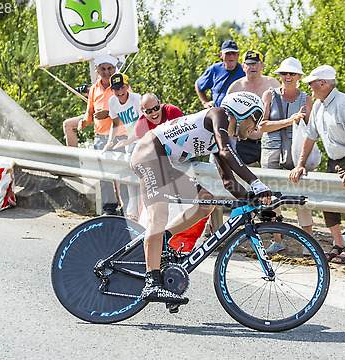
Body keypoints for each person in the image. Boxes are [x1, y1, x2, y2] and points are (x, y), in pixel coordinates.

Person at [130, 91, 272, 304]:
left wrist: (253, 200)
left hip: (163, 162)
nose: (255, 127)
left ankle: (163, 242)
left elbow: (228, 182)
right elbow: (225, 152)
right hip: (149, 153)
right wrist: (256, 183)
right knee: (158, 215)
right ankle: (152, 283)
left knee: (206, 202)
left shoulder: (217, 138)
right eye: (255, 119)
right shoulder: (218, 114)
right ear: (242, 111)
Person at [289, 65, 345, 265]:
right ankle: (338, 244)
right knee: (328, 200)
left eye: (311, 83)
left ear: (323, 83)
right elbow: (310, 137)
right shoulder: (318, 105)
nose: (309, 87)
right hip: (334, 158)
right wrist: (300, 165)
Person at [258, 57, 314, 254]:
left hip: (296, 152)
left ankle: (308, 242)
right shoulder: (269, 95)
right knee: (271, 196)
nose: (287, 76)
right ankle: (277, 240)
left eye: (292, 73)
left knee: (300, 196)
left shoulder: (307, 98)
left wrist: (298, 122)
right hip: (271, 149)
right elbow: (261, 126)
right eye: (284, 73)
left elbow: (312, 131)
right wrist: (290, 121)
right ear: (279, 75)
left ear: (299, 76)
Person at [77, 55, 127, 215]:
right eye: (103, 69)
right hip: (100, 137)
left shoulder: (122, 86)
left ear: (114, 69)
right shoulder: (93, 89)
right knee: (104, 175)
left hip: (120, 136)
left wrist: (108, 114)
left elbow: (127, 109)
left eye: (110, 68)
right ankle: (109, 209)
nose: (107, 72)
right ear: (97, 71)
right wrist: (84, 122)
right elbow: (89, 112)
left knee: (123, 174)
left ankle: (128, 208)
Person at [227, 50, 281, 167]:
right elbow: (227, 114)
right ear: (243, 67)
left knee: (270, 175)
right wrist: (233, 132)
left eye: (255, 63)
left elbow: (283, 108)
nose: (252, 67)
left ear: (262, 65)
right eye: (249, 64)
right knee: (249, 176)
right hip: (245, 140)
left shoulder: (273, 84)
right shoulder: (235, 87)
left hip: (270, 139)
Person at [102, 73, 143, 219]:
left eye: (122, 87)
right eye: (116, 89)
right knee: (131, 178)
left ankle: (142, 212)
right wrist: (110, 141)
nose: (119, 92)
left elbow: (144, 126)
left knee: (142, 180)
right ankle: (133, 212)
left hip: (143, 141)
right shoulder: (113, 101)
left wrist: (128, 141)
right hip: (130, 142)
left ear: (127, 86)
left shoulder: (137, 99)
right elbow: (115, 123)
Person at [195, 40, 245, 109]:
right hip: (219, 113)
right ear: (221, 55)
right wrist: (205, 102)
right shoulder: (215, 69)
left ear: (238, 54)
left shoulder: (244, 70)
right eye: (228, 54)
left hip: (239, 113)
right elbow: (198, 85)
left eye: (234, 53)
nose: (231, 56)